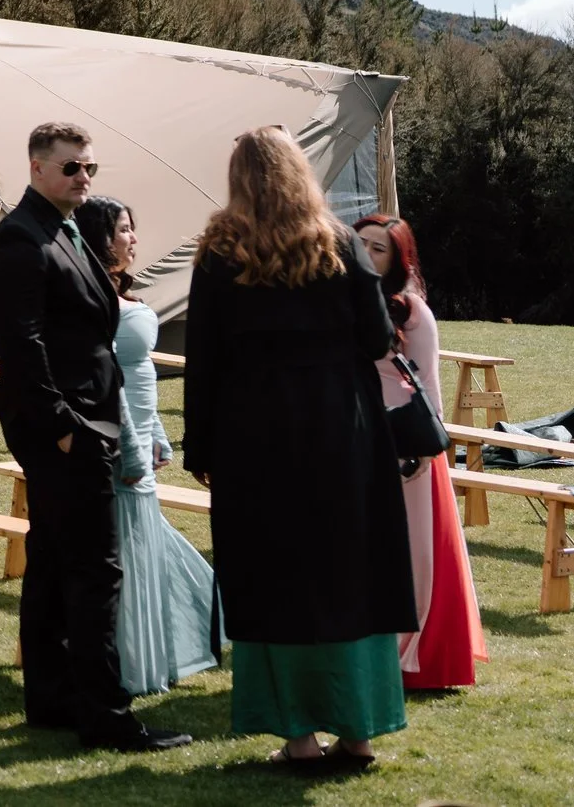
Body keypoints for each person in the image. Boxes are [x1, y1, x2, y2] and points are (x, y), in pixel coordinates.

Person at [182, 127, 415, 769]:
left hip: (253, 433)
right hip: (341, 427)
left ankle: (298, 737)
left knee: (273, 571)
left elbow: (201, 360)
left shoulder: (220, 250)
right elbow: (375, 340)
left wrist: (198, 446)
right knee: (349, 570)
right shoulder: (340, 242)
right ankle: (359, 731)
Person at [0, 122, 191, 753]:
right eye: (71, 168)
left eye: (90, 168)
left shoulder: (64, 230)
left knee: (50, 562)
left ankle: (52, 698)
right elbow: (23, 348)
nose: (84, 179)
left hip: (87, 421)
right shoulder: (20, 240)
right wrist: (66, 431)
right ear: (37, 168)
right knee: (95, 573)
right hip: (66, 429)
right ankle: (108, 716)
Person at [77, 196, 222, 695]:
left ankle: (167, 641)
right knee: (126, 548)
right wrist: (134, 446)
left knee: (142, 540)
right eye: (123, 230)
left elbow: (141, 374)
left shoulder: (123, 293)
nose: (133, 238)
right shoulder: (91, 297)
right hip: (116, 440)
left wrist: (157, 433)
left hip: (141, 432)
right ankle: (130, 660)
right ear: (101, 237)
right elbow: (107, 378)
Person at [357, 212, 486, 691]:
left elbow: (427, 386)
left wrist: (421, 455)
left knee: (413, 557)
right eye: (361, 244)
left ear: (397, 258)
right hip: (358, 442)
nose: (367, 254)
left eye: (378, 248)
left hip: (405, 449)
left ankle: (411, 655)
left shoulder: (411, 311)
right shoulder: (344, 301)